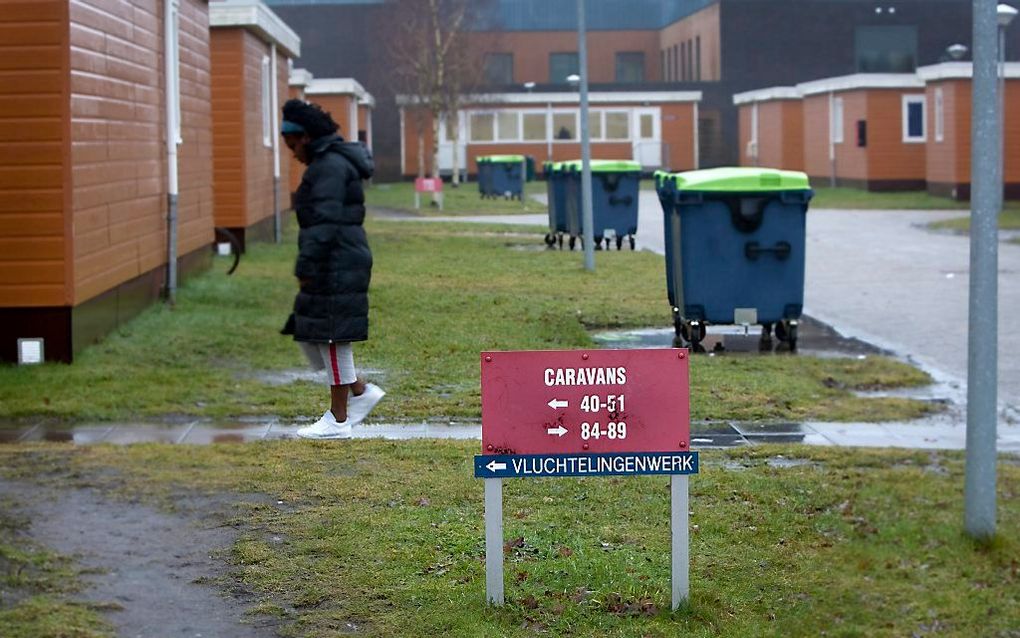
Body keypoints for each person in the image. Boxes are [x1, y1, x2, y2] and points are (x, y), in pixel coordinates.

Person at [279, 99, 385, 439]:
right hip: (339, 256)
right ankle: (359, 391)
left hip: (336, 258)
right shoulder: (329, 163)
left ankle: (339, 420)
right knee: (314, 334)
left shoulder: (328, 167)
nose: (291, 152)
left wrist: (307, 263)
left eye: (292, 144)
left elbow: (323, 221)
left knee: (330, 335)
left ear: (306, 137)